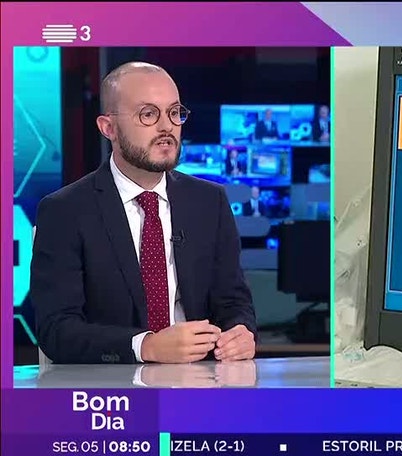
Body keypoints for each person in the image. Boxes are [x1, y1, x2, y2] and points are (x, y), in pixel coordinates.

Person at [31, 62, 257, 365]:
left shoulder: (209, 201)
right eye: (148, 114)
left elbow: (233, 301)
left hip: (201, 377)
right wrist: (145, 346)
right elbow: (57, 330)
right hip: (112, 383)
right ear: (108, 128)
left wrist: (240, 333)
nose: (167, 127)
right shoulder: (65, 211)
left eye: (174, 113)